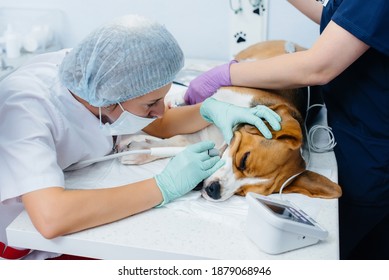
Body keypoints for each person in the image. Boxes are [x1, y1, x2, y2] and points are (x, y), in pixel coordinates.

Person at [0, 15, 281, 259]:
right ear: (109, 100)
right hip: (22, 240)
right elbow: (51, 218)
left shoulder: (99, 80)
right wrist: (164, 186)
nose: (162, 110)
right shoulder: (25, 109)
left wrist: (211, 110)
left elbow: (157, 122)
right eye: (152, 103)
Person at [184, 0, 389, 260]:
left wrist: (228, 74)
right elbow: (340, 19)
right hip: (351, 128)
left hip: (371, 150)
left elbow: (319, 66)